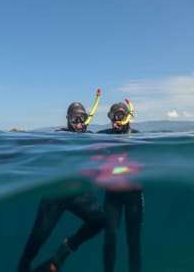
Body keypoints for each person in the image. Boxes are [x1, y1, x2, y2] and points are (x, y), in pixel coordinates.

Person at [18, 93, 105, 272]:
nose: (79, 123)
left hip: (79, 194)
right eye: (74, 119)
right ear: (68, 120)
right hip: (55, 196)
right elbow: (33, 145)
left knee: (100, 220)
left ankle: (66, 249)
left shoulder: (90, 137)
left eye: (82, 119)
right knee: (34, 243)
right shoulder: (60, 135)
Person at [97, 100, 143, 272]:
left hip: (133, 196)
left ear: (127, 117)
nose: (115, 120)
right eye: (112, 116)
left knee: (133, 241)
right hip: (112, 195)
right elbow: (81, 139)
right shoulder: (104, 136)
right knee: (110, 239)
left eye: (120, 116)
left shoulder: (138, 137)